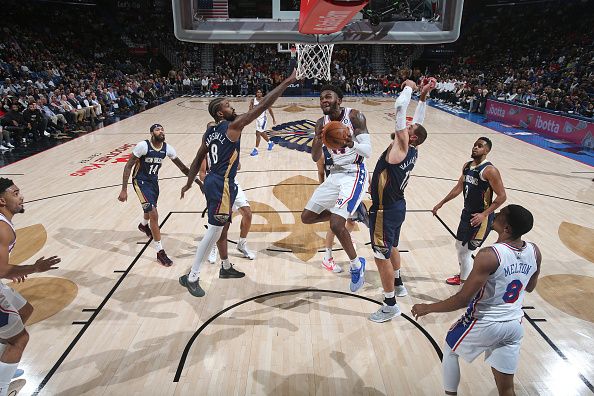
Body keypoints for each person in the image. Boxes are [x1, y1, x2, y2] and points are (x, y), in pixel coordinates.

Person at [179, 70, 297, 297]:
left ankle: (225, 267)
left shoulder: (210, 132)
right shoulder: (231, 127)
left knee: (221, 228)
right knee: (214, 231)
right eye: (228, 105)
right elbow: (261, 107)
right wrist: (287, 82)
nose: (232, 107)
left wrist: (188, 182)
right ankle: (192, 276)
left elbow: (196, 159)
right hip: (221, 183)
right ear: (219, 112)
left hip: (222, 182)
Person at [411, 204, 540, 396]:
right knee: (507, 388)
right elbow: (529, 287)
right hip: (514, 324)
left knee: (450, 349)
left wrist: (427, 307)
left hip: (486, 322)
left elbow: (463, 299)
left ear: (506, 228)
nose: (495, 214)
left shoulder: (489, 255)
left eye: (501, 214)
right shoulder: (535, 251)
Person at [367, 79, 432, 323]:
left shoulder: (402, 147)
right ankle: (399, 282)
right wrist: (423, 97)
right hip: (397, 206)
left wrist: (409, 88)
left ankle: (390, 304)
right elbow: (419, 124)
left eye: (409, 129)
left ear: (411, 139)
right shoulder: (412, 149)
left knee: (380, 254)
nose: (405, 127)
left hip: (384, 211)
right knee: (392, 245)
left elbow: (399, 108)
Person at [301, 85, 371, 292]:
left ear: (339, 99)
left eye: (328, 97)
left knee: (336, 224)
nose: (323, 100)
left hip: (355, 173)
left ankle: (356, 265)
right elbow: (315, 157)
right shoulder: (321, 123)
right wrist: (317, 137)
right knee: (306, 217)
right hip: (336, 174)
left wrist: (352, 144)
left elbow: (368, 151)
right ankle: (351, 210)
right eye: (321, 98)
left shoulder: (355, 116)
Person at [0, 178, 61, 396]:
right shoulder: (3, 228)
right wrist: (34, 268)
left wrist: (11, 269)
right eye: (15, 193)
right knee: (20, 339)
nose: (21, 196)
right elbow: (1, 270)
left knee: (25, 310)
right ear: (2, 200)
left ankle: (3, 364)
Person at [432, 137, 507, 285]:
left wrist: (484, 214)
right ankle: (464, 275)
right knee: (459, 246)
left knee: (466, 252)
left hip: (481, 217)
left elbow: (502, 196)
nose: (475, 148)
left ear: (487, 150)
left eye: (479, 146)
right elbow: (459, 187)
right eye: (474, 145)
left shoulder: (490, 170)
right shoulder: (467, 166)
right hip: (467, 213)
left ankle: (464, 290)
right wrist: (441, 203)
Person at [118, 124, 196, 266]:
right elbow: (128, 165)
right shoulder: (143, 146)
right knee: (153, 213)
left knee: (149, 208)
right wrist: (124, 189)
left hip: (153, 183)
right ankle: (160, 252)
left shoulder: (168, 148)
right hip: (140, 182)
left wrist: (198, 182)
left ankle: (143, 225)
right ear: (151, 133)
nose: (161, 131)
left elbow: (183, 167)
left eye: (162, 129)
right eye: (157, 129)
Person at [198, 156, 256, 263]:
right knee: (221, 224)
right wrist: (212, 182)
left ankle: (242, 243)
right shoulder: (206, 152)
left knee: (248, 214)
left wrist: (235, 162)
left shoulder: (228, 147)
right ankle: (213, 246)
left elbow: (238, 167)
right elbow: (201, 174)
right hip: (217, 188)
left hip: (232, 184)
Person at [316, 146, 355, 274]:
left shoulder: (348, 149)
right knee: (334, 227)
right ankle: (327, 258)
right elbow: (321, 173)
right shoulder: (322, 153)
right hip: (333, 193)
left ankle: (343, 237)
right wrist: (323, 191)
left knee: (351, 223)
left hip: (348, 190)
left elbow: (360, 167)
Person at [249, 89, 277, 156]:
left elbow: (270, 110)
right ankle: (270, 143)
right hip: (257, 119)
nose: (259, 93)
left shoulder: (265, 100)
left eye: (260, 92)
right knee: (261, 133)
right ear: (256, 93)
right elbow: (250, 110)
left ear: (262, 93)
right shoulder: (253, 100)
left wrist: (273, 119)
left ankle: (256, 149)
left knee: (258, 133)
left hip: (263, 119)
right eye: (258, 92)